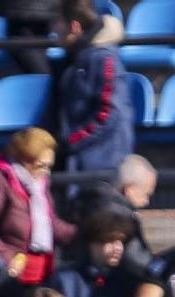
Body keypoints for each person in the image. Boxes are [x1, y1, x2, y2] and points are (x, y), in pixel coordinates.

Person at [0, 128, 74, 283]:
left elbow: (47, 222)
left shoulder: (38, 183)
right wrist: (5, 255)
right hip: (12, 272)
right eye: (41, 165)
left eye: (49, 166)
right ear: (24, 160)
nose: (47, 172)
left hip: (43, 268)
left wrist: (80, 233)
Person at [53, 0, 135, 178]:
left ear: (74, 26)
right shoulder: (74, 59)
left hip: (102, 163)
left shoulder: (103, 60)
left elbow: (109, 112)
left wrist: (71, 141)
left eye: (57, 22)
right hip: (80, 160)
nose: (54, 29)